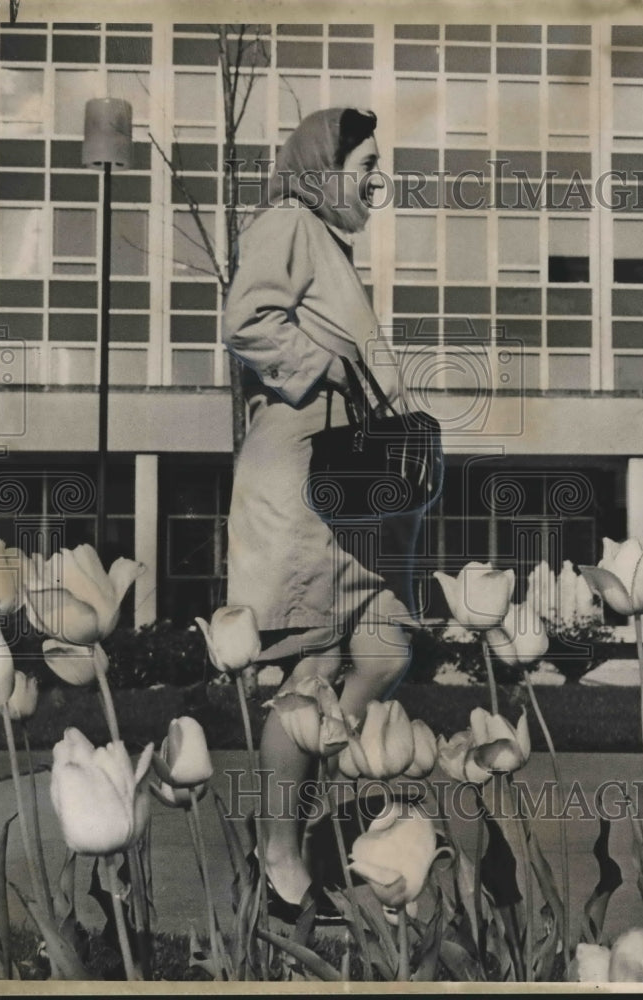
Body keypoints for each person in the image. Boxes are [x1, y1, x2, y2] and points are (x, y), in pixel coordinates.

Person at [222, 108, 423, 921]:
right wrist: (328, 368)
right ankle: (278, 861)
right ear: (320, 165)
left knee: (388, 645)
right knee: (305, 673)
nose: (375, 181)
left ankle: (295, 806)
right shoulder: (285, 221)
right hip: (299, 480)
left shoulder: (325, 241)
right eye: (365, 162)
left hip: (345, 488)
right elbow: (247, 321)